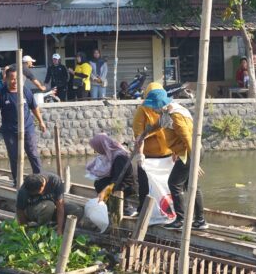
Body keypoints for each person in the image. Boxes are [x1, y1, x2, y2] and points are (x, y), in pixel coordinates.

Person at [132, 83, 207, 230]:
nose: (153, 109)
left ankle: (181, 220)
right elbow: (169, 133)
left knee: (174, 184)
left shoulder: (175, 116)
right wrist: (175, 152)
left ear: (159, 104)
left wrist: (194, 162)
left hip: (190, 151)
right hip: (190, 150)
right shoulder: (172, 109)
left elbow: (187, 138)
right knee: (189, 184)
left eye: (154, 107)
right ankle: (200, 220)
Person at [0, 68, 46, 183]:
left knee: (33, 153)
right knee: (14, 156)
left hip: (27, 127)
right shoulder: (1, 94)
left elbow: (34, 107)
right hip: (9, 130)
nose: (14, 82)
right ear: (6, 79)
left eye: (17, 79)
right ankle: (17, 181)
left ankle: (40, 180)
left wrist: (41, 121)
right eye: (12, 79)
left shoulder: (24, 91)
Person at [87, 134, 137, 216]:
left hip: (128, 184)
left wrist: (105, 192)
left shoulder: (119, 157)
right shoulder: (111, 153)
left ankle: (125, 208)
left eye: (96, 148)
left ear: (102, 146)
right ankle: (109, 204)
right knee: (99, 182)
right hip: (118, 179)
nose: (96, 151)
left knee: (103, 185)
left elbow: (118, 179)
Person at [16, 173, 83, 235]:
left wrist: (60, 229)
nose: (40, 194)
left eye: (38, 193)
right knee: (49, 205)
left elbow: (60, 205)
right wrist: (25, 230)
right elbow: (19, 211)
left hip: (52, 208)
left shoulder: (55, 181)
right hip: (33, 211)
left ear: (43, 185)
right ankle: (42, 231)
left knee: (77, 211)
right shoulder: (24, 190)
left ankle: (60, 231)